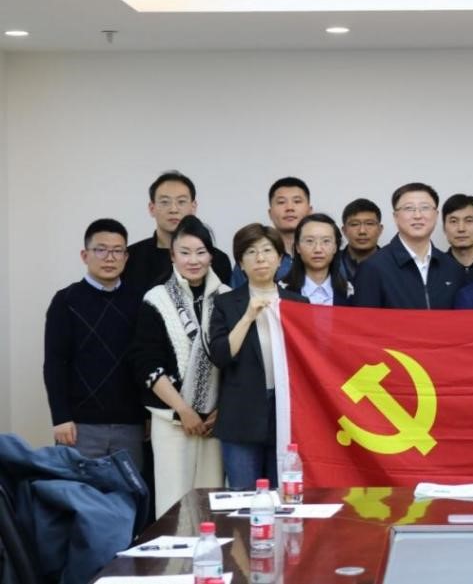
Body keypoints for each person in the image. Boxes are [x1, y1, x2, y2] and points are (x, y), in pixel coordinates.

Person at [131, 215, 228, 516]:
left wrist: (221, 410)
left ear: (211, 256)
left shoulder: (227, 298)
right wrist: (184, 410)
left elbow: (236, 363)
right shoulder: (156, 299)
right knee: (174, 508)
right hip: (172, 420)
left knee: (213, 506)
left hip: (215, 424)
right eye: (184, 252)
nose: (193, 260)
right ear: (172, 255)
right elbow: (146, 362)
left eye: (200, 252)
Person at [209, 224, 307, 489]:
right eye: (251, 252)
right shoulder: (226, 303)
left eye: (267, 250)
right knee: (243, 497)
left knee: (284, 496)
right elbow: (220, 356)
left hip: (285, 412)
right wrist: (248, 317)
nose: (260, 258)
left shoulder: (298, 304)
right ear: (241, 263)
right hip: (241, 415)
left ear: (280, 258)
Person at [43, 218, 146, 470]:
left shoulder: (140, 300)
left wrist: (146, 415)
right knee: (78, 492)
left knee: (129, 492)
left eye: (117, 250)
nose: (109, 258)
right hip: (79, 426)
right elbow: (55, 363)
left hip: (130, 425)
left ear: (126, 256)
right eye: (101, 250)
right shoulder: (66, 300)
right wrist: (60, 417)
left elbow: (144, 363)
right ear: (85, 255)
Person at [351, 182, 465, 309]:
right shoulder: (373, 268)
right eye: (409, 208)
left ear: (436, 215)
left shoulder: (452, 268)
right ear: (395, 217)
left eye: (425, 208)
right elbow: (365, 320)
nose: (417, 215)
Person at [125, 171, 232, 290]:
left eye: (181, 202)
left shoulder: (218, 260)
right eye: (165, 202)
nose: (173, 209)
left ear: (193, 207)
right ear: (152, 208)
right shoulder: (131, 258)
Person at [230, 177, 312, 287]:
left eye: (297, 201)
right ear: (270, 213)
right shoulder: (253, 257)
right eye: (281, 202)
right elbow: (237, 295)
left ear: (310, 211)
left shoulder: (322, 253)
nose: (289, 208)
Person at [285, 214, 350, 305]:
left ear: (335, 247)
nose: (318, 249)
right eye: (309, 241)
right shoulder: (282, 292)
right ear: (297, 247)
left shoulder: (350, 293)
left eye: (326, 241)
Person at [339, 198, 384, 287]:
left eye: (369, 224)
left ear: (380, 229)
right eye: (354, 224)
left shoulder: (393, 264)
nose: (362, 231)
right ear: (344, 230)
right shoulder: (331, 263)